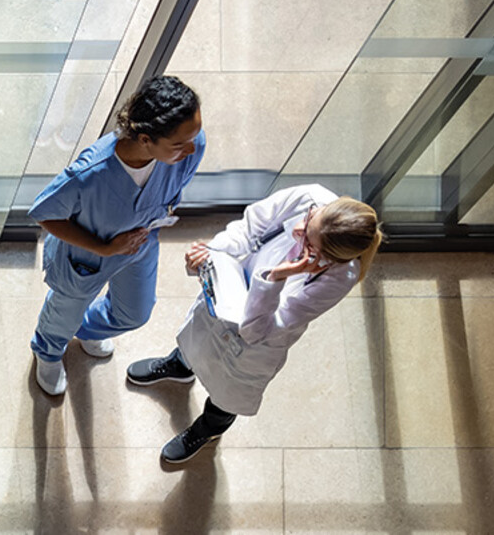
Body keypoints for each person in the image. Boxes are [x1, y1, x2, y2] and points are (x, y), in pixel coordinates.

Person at [126, 185, 384, 463]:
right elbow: (249, 228)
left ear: (327, 259)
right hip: (229, 292)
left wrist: (276, 278)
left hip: (254, 346)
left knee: (227, 396)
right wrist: (213, 253)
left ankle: (207, 429)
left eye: (309, 243)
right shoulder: (310, 197)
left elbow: (256, 331)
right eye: (310, 217)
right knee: (195, 339)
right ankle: (180, 366)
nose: (297, 229)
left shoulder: (336, 279)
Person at [28, 76, 206, 396]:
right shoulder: (90, 174)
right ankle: (48, 350)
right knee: (65, 311)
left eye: (193, 136)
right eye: (180, 144)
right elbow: (45, 213)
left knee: (134, 313)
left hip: (140, 246)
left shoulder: (191, 148)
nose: (193, 148)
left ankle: (83, 330)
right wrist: (102, 247)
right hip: (86, 256)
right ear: (145, 138)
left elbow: (172, 187)